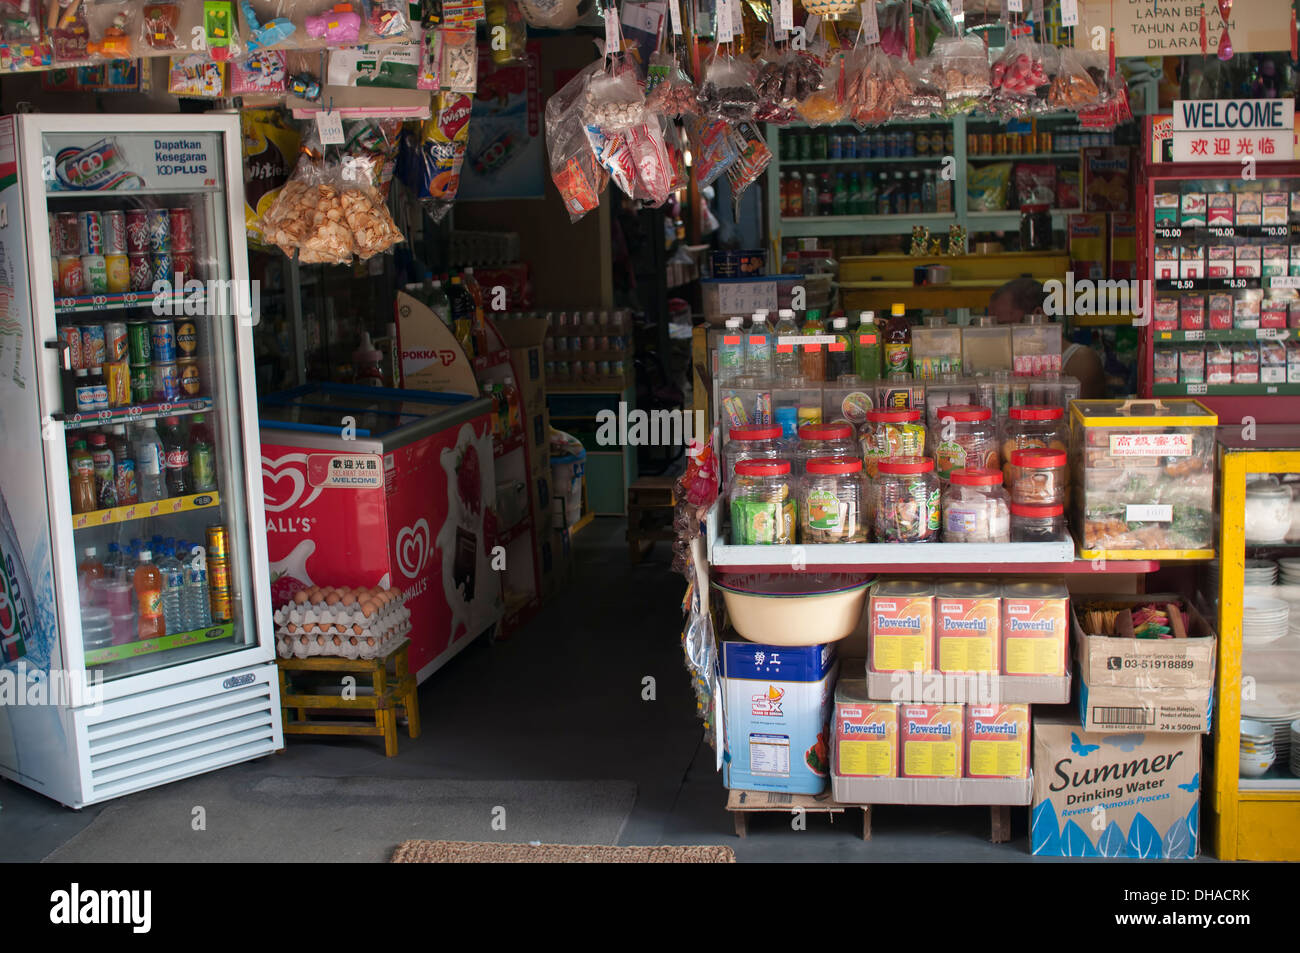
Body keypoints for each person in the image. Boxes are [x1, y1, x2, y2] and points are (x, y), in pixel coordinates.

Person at [988, 278, 1107, 399]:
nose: (999, 335)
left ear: (1039, 315)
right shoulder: (1010, 361)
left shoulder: (1081, 361)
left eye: (1003, 325)